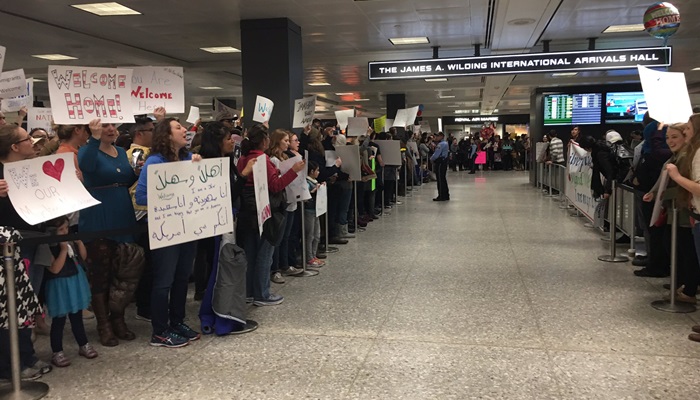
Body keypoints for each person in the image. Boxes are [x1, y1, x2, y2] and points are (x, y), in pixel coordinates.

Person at [135, 118, 203, 348]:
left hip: (187, 227)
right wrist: (170, 194)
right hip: (166, 229)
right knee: (164, 280)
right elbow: (141, 197)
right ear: (166, 134)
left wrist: (197, 169)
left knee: (182, 277)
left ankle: (177, 321)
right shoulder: (154, 162)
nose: (184, 130)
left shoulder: (187, 158)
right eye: (178, 127)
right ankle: (160, 331)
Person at [78, 120, 142, 347]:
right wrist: (94, 139)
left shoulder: (122, 152)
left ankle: (118, 319)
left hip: (122, 213)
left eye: (112, 125)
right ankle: (103, 324)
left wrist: (137, 173)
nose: (111, 129)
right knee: (100, 274)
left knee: (121, 271)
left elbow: (123, 179)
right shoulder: (87, 150)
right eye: (104, 126)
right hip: (98, 216)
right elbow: (86, 167)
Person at [0, 125, 52, 380]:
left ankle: (25, 355)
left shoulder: (33, 168)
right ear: (14, 146)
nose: (33, 142)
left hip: (33, 241)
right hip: (8, 252)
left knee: (26, 304)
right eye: (27, 139)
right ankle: (11, 364)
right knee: (11, 307)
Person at [197, 122, 258, 336]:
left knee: (225, 267)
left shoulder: (226, 161)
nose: (232, 141)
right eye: (227, 139)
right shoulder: (208, 164)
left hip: (228, 219)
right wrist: (244, 175)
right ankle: (219, 316)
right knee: (220, 268)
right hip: (216, 224)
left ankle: (221, 312)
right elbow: (226, 194)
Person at [236, 124, 304, 306]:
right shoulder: (262, 159)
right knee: (265, 252)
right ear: (264, 141)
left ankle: (250, 292)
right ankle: (262, 293)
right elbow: (275, 186)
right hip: (265, 210)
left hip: (247, 210)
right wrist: (293, 171)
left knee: (251, 254)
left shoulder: (244, 158)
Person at [643, 122, 698, 304]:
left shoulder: (686, 158)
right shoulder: (677, 157)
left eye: (675, 137)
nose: (670, 141)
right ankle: (682, 283)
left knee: (685, 250)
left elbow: (685, 186)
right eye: (668, 137)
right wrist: (654, 193)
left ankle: (688, 288)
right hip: (676, 212)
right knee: (676, 247)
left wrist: (662, 195)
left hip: (683, 212)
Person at [44, 216, 98, 367]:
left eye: (66, 228)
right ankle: (57, 351)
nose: (65, 231)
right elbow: (54, 268)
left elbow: (83, 257)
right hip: (58, 285)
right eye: (61, 229)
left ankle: (83, 344)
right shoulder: (46, 246)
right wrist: (62, 249)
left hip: (75, 280)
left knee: (76, 316)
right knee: (59, 320)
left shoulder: (70, 243)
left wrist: (78, 242)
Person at [266, 129, 305, 284]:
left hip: (289, 198)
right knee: (279, 237)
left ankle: (284, 264)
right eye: (286, 141)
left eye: (289, 141)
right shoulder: (273, 160)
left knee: (286, 235)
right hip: (280, 201)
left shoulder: (285, 157)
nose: (288, 144)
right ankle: (275, 268)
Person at [305, 161, 325, 268]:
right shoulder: (307, 183)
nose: (318, 172)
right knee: (310, 235)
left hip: (317, 210)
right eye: (317, 170)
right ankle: (309, 257)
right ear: (311, 171)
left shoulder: (315, 181)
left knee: (317, 235)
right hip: (309, 211)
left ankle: (314, 254)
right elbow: (306, 196)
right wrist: (313, 191)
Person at [430, 132, 450, 201]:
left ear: (441, 136)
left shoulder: (441, 144)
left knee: (440, 179)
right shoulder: (445, 143)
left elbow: (436, 154)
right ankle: (446, 195)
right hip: (444, 162)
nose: (436, 137)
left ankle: (441, 195)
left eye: (438, 136)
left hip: (440, 162)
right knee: (443, 179)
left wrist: (431, 159)